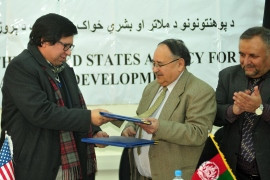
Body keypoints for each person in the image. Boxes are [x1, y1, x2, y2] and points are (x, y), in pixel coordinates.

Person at [0, 13, 114, 180]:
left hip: (66, 164)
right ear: (44, 41)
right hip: (35, 165)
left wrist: (94, 132)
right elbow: (42, 113)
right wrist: (89, 117)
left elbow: (74, 107)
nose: (68, 53)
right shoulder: (20, 68)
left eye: (70, 47)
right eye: (65, 46)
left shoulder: (63, 69)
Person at [121, 39, 217, 180]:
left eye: (160, 64)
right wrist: (130, 127)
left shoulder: (200, 91)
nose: (154, 69)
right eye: (153, 63)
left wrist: (160, 128)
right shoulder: (151, 88)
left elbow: (198, 133)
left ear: (180, 64)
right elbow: (140, 117)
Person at [214, 26, 270, 180]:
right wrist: (234, 110)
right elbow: (213, 115)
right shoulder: (227, 76)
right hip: (232, 170)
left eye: (253, 56)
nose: (246, 62)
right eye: (242, 54)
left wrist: (259, 109)